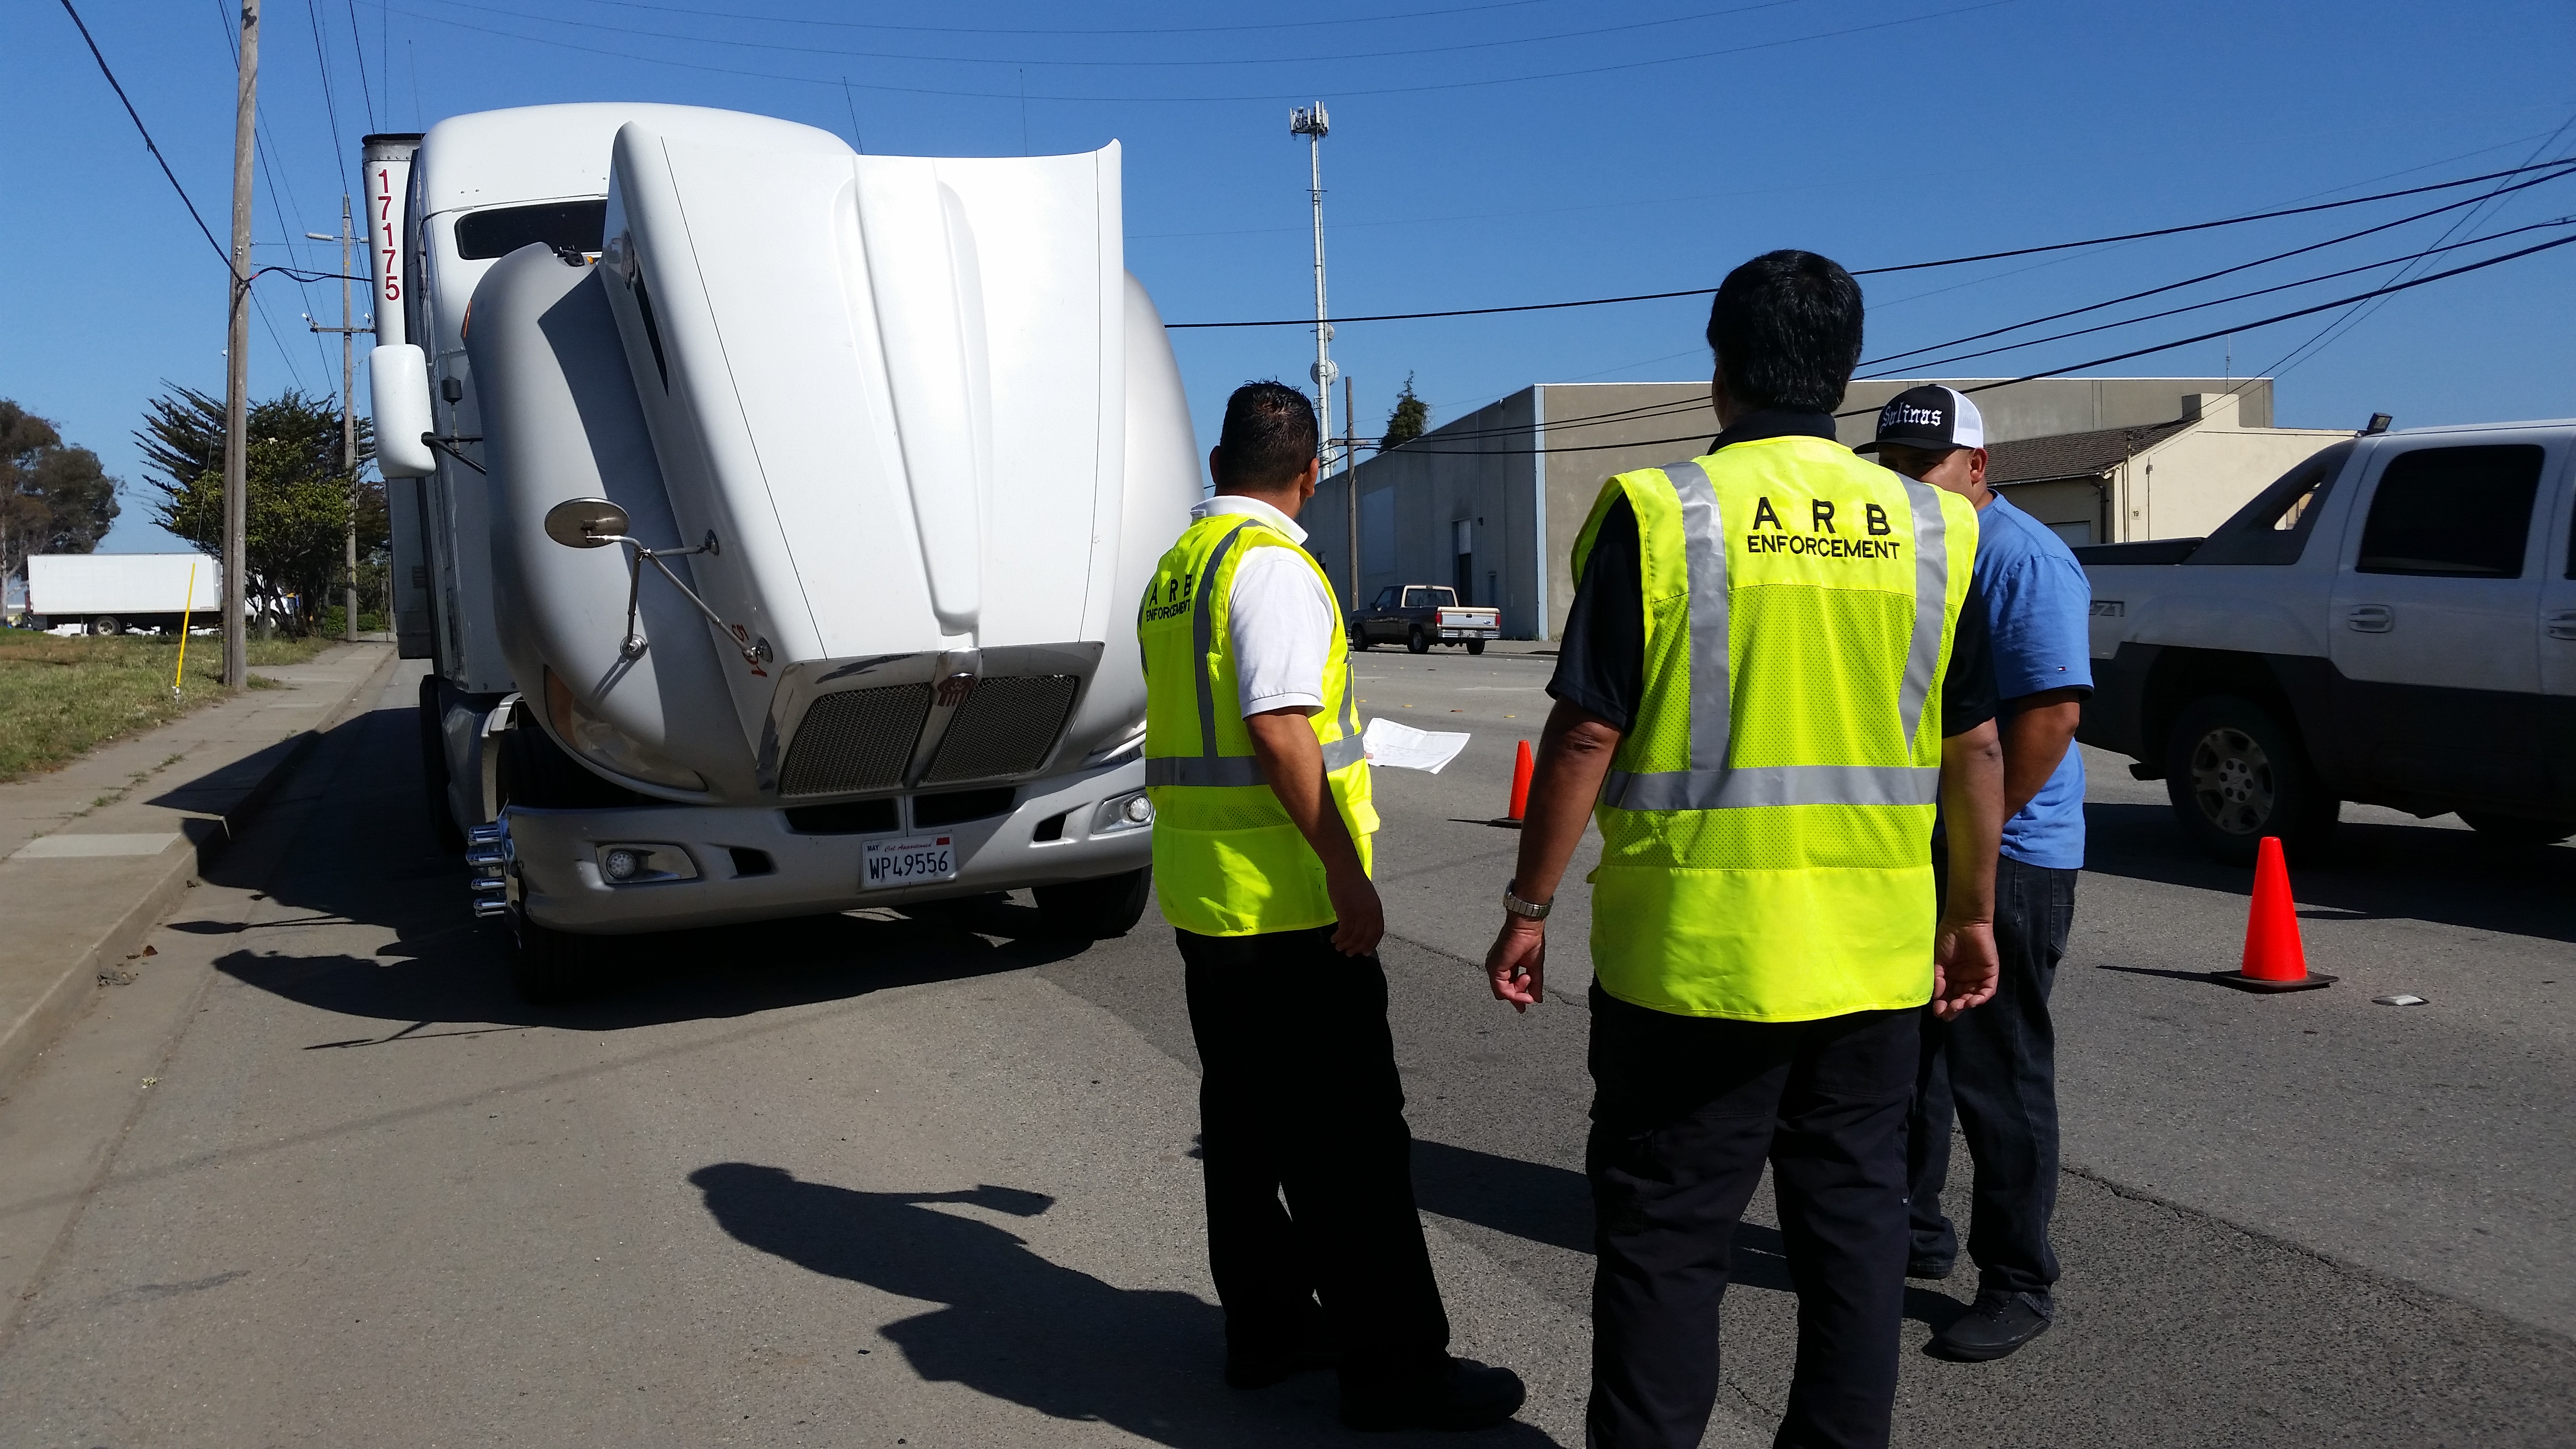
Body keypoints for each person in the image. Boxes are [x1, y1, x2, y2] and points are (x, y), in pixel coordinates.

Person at [1481, 253, 2007, 1449]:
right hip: (1869, 969)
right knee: (1856, 1246)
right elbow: (1976, 748)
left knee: (1666, 1247)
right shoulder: (1933, 526)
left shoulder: (1665, 514)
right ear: (1845, 374)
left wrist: (1530, 903)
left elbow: (1588, 732)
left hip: (1691, 967)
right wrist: (1968, 913)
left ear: (1718, 368)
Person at [1138, 381, 1525, 1433]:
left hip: (1210, 900)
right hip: (1286, 907)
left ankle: (1266, 1330)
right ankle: (1395, 1368)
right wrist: (1347, 875)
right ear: (1309, 474)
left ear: (1221, 463)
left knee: (1246, 1127)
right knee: (1350, 1142)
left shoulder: (1180, 571)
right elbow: (1278, 728)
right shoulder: (1271, 566)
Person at [1867, 386, 2093, 1362]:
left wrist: (1976, 844)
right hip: (1927, 843)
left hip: (2009, 855)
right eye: (1892, 465)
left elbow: (2048, 720)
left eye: (1924, 467)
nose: (1906, 482)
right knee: (1909, 1058)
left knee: (1996, 1071)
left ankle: (2018, 1279)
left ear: (1976, 467)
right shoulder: (1920, 550)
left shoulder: (2020, 558)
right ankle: (1914, 1233)